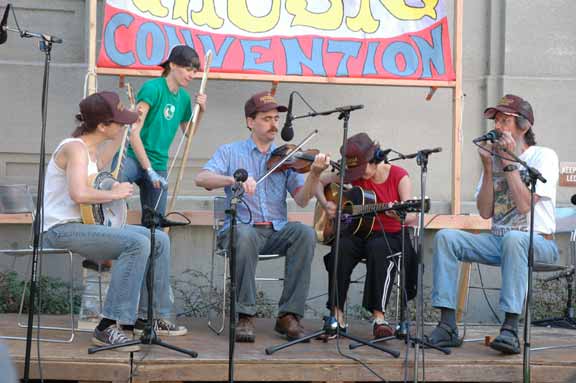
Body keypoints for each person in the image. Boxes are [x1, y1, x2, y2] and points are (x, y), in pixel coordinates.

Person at [42, 91, 187, 351]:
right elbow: (78, 193)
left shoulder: (89, 150)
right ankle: (108, 325)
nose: (122, 125)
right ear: (102, 125)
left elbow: (105, 160)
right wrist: (114, 193)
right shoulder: (74, 148)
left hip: (85, 226)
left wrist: (126, 129)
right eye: (118, 121)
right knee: (136, 244)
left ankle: (147, 317)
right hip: (60, 229)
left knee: (159, 238)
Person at [427, 94, 559, 354]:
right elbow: (486, 212)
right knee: (446, 237)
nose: (497, 126)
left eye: (505, 120)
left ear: (524, 126)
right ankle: (447, 324)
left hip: (538, 242)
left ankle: (510, 328)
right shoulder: (495, 158)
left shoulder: (543, 156)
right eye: (496, 120)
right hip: (499, 241)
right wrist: (488, 167)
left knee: (514, 239)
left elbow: (523, 206)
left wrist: (509, 163)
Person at [195, 91, 330, 342]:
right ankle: (245, 315)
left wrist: (314, 174)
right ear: (250, 122)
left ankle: (288, 316)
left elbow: (302, 199)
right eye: (267, 118)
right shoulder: (230, 151)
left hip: (276, 231)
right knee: (244, 233)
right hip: (243, 230)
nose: (274, 124)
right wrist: (234, 179)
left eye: (276, 119)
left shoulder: (286, 158)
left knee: (305, 233)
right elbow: (201, 178)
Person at [316, 132, 419, 339]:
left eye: (362, 170)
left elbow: (411, 216)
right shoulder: (353, 174)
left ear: (375, 160)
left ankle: (379, 318)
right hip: (359, 231)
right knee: (341, 246)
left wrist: (398, 215)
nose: (359, 176)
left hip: (391, 235)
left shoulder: (399, 176)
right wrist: (326, 204)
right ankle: (337, 316)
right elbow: (319, 182)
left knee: (379, 247)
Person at [120, 45, 207, 220]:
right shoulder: (153, 88)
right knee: (115, 194)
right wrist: (148, 169)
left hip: (159, 163)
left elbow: (188, 133)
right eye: (188, 69)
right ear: (173, 65)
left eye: (195, 71)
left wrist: (202, 110)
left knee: (156, 222)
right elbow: (133, 132)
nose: (191, 75)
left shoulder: (184, 98)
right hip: (132, 156)